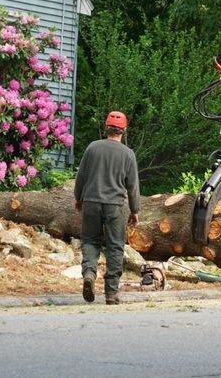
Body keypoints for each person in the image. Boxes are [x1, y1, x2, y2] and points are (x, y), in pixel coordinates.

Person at [74, 111, 140, 305]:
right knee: (115, 246)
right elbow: (133, 186)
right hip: (115, 206)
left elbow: (81, 177)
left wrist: (78, 198)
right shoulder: (128, 154)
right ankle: (111, 293)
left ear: (106, 128)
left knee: (89, 241)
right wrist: (135, 210)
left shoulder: (92, 148)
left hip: (91, 202)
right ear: (124, 131)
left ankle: (89, 274)